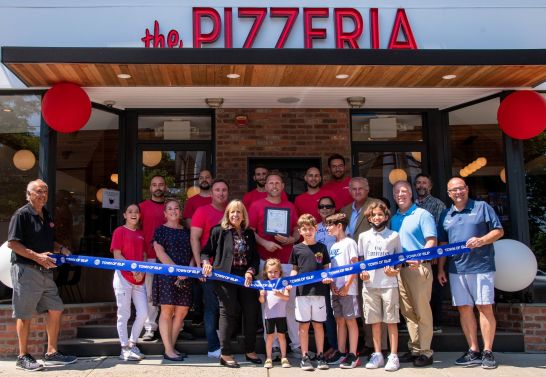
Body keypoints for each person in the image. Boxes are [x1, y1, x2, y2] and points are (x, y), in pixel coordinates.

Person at [7, 179, 77, 371]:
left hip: (46, 272)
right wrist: (37, 257)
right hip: (27, 270)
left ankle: (52, 352)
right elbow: (12, 243)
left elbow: (48, 241)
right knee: (24, 313)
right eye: (38, 191)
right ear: (28, 194)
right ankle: (22, 356)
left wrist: (60, 248)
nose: (43, 195)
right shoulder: (21, 215)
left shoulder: (46, 214)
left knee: (56, 308)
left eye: (45, 191)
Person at [437, 177, 504, 369]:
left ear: (467, 189)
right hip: (456, 269)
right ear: (449, 194)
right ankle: (473, 350)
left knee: (484, 307)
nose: (458, 192)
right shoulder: (445, 214)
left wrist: (482, 240)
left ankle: (488, 351)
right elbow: (443, 244)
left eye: (461, 188)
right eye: (453, 190)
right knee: (464, 309)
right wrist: (441, 267)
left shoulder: (482, 207)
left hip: (481, 266)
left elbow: (499, 231)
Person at [201, 199, 261, 368]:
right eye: (232, 211)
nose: (235, 214)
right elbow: (206, 252)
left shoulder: (249, 233)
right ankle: (225, 354)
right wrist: (206, 263)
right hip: (225, 277)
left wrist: (251, 271)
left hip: (246, 277)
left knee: (251, 311)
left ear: (243, 215)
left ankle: (250, 350)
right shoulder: (218, 231)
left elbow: (255, 258)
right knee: (227, 312)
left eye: (239, 212)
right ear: (227, 214)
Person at [248, 170, 301, 356]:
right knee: (268, 305)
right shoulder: (256, 205)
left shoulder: (290, 207)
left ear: (283, 186)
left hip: (286, 261)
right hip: (265, 263)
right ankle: (274, 346)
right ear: (266, 186)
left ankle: (296, 345)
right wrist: (265, 242)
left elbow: (296, 229)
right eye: (270, 183)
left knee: (290, 303)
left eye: (277, 183)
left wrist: (292, 240)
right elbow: (250, 232)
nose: (274, 186)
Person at [390, 180, 437, 367]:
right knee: (408, 312)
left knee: (422, 311)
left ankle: (426, 352)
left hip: (418, 268)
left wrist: (419, 257)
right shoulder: (394, 219)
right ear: (394, 196)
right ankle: (415, 348)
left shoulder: (422, 214)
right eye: (397, 192)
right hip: (400, 270)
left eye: (404, 191)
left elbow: (431, 241)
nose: (400, 195)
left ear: (410, 194)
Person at [358, 201, 403, 372]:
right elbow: (361, 261)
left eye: (380, 214)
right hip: (370, 284)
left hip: (389, 284)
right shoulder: (363, 236)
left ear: (385, 216)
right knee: (374, 321)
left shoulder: (393, 235)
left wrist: (395, 271)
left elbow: (399, 259)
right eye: (373, 215)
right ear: (369, 217)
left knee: (391, 320)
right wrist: (362, 274)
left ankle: (393, 355)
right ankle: (377, 354)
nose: (377, 217)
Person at [190, 178, 229, 358]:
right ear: (211, 193)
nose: (221, 193)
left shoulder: (232, 212)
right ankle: (213, 347)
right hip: (208, 268)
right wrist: (199, 265)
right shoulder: (202, 211)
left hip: (229, 269)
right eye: (217, 190)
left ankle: (225, 342)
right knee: (212, 307)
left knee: (228, 308)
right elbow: (194, 239)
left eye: (224, 190)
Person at [289, 214, 332, 371]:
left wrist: (328, 278)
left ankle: (320, 356)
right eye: (304, 229)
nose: (308, 231)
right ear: (300, 231)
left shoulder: (322, 247)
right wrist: (290, 282)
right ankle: (305, 356)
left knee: (319, 325)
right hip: (302, 294)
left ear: (316, 229)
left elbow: (327, 268)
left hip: (319, 292)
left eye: (310, 228)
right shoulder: (296, 248)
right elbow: (294, 269)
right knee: (303, 326)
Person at [152, 199, 193, 361]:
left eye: (176, 208)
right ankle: (168, 350)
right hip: (167, 275)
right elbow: (159, 252)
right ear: (165, 213)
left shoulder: (187, 231)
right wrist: (177, 271)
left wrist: (187, 271)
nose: (174, 211)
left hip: (186, 275)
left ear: (180, 212)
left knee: (182, 311)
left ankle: (172, 348)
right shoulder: (160, 231)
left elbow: (193, 252)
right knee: (167, 311)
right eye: (170, 208)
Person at [110, 204, 147, 361]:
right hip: (123, 277)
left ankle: (132, 344)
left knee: (143, 313)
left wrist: (142, 271)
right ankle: (123, 348)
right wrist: (133, 271)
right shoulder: (119, 231)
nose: (133, 214)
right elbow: (117, 255)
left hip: (139, 279)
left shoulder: (141, 234)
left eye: (136, 212)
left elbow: (144, 255)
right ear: (125, 215)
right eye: (130, 211)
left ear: (139, 215)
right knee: (124, 314)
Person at [325, 213, 361, 369]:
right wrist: (332, 284)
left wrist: (347, 285)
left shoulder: (349, 243)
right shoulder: (333, 246)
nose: (327, 228)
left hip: (348, 289)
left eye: (330, 225)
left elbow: (355, 265)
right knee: (339, 320)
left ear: (339, 226)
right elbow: (332, 268)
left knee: (350, 320)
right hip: (335, 288)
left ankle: (353, 354)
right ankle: (341, 352)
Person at [414, 173, 447, 334]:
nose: (421, 186)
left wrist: (434, 254)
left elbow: (441, 232)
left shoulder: (437, 204)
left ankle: (436, 323)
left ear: (430, 186)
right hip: (413, 257)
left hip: (431, 256)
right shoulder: (411, 205)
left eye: (424, 183)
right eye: (418, 183)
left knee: (433, 291)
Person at [139, 175, 167, 341]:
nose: (158, 187)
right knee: (149, 295)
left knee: (170, 295)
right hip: (148, 257)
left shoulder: (171, 207)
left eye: (161, 185)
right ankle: (150, 328)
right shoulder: (141, 208)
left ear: (165, 187)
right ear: (150, 188)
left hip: (169, 259)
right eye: (154, 185)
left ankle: (175, 326)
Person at [314, 196, 338, 360]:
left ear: (334, 209)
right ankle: (332, 345)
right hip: (322, 275)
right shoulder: (314, 228)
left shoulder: (340, 227)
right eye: (322, 207)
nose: (325, 209)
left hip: (340, 274)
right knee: (327, 313)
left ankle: (340, 347)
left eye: (328, 206)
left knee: (341, 314)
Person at [258, 258, 291, 369]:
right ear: (266, 273)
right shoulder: (265, 285)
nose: (273, 274)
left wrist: (280, 294)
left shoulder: (283, 283)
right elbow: (262, 301)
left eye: (275, 271)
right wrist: (262, 295)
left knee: (282, 336)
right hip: (269, 316)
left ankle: (284, 357)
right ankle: (268, 357)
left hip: (281, 315)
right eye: (270, 272)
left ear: (280, 272)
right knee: (270, 337)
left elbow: (286, 298)